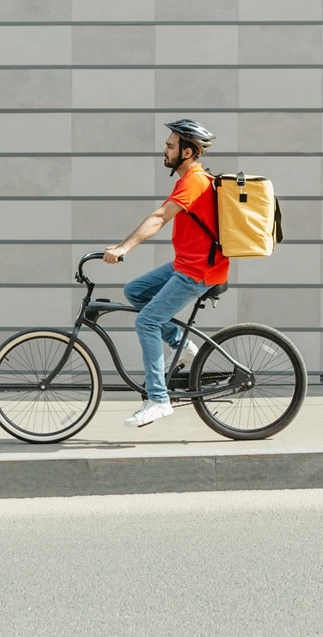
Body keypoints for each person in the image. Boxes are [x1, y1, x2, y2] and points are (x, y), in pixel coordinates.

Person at [103, 119, 230, 428]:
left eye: (171, 146)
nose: (165, 150)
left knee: (146, 320)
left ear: (188, 152)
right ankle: (184, 347)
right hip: (185, 263)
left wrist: (123, 248)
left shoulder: (194, 181)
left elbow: (159, 218)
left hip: (198, 270)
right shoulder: (189, 179)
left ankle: (159, 400)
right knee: (135, 292)